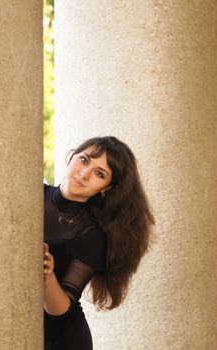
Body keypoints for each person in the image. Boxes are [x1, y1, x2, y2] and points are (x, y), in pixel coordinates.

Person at [42, 136, 155, 350]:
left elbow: (61, 310)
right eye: (84, 160)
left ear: (106, 188)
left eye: (99, 174)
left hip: (61, 340)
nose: (85, 174)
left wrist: (47, 275)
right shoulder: (30, 195)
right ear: (71, 156)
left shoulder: (93, 234)